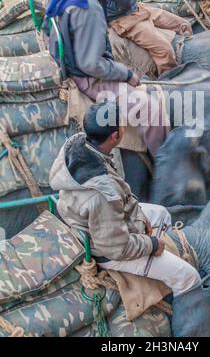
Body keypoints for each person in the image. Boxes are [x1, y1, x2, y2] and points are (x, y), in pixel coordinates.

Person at [49, 102, 202, 297]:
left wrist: (138, 215)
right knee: (189, 277)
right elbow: (117, 248)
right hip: (108, 249)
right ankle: (172, 300)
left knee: (161, 213)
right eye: (121, 125)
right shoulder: (102, 193)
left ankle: (159, 271)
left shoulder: (79, 145)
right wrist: (152, 245)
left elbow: (121, 199)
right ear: (115, 136)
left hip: (100, 221)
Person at [46, 0, 169, 157]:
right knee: (152, 109)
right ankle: (164, 164)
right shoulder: (88, 7)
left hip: (77, 59)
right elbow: (90, 63)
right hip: (87, 77)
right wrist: (126, 73)